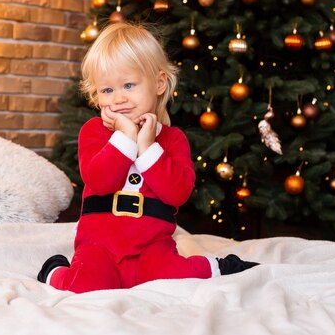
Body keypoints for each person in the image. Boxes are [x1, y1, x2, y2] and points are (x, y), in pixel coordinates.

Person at [37, 22, 258, 293]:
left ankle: (220, 266)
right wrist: (126, 136)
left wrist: (147, 145)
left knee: (173, 277)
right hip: (99, 244)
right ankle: (54, 271)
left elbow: (177, 193)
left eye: (128, 85)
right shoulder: (93, 132)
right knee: (87, 285)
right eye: (107, 90)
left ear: (159, 83)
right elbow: (100, 181)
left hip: (152, 246)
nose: (118, 98)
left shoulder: (172, 139)